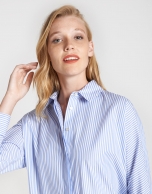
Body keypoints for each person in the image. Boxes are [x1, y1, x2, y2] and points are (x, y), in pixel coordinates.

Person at [0, 4, 151, 194]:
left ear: (90, 48)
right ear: (48, 52)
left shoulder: (120, 110)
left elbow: (141, 186)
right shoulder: (33, 124)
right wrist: (10, 98)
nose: (68, 45)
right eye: (57, 40)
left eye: (78, 37)